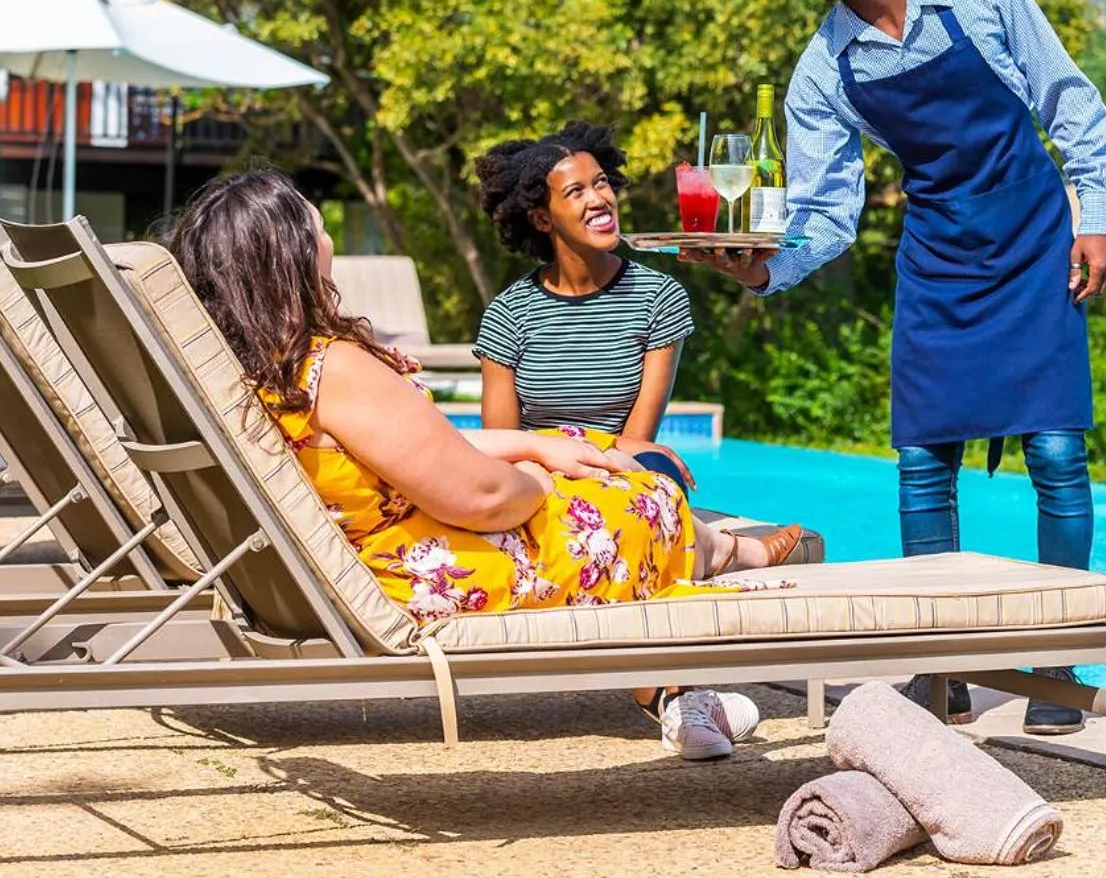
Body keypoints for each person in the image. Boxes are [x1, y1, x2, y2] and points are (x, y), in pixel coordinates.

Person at [687, 0, 1106, 737]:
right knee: (924, 461)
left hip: (1035, 244)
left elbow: (1068, 101)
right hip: (938, 262)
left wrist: (1097, 214)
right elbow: (824, 212)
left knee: (1056, 451)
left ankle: (1057, 658)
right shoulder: (823, 71)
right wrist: (768, 269)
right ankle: (941, 661)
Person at [169, 169, 800, 761]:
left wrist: (535, 447)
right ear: (290, 258)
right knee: (642, 490)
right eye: (317, 228)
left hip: (371, 556)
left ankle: (705, 583)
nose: (328, 240)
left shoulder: (252, 371)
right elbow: (482, 499)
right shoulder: (333, 367)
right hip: (433, 577)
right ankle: (712, 573)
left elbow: (403, 453)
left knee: (574, 442)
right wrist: (537, 480)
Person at [471, 122, 698, 495]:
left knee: (658, 471)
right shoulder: (507, 313)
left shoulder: (659, 297)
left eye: (601, 182)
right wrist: (556, 453)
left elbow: (636, 443)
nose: (598, 199)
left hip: (618, 472)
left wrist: (593, 453)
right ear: (543, 219)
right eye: (576, 191)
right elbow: (503, 443)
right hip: (536, 474)